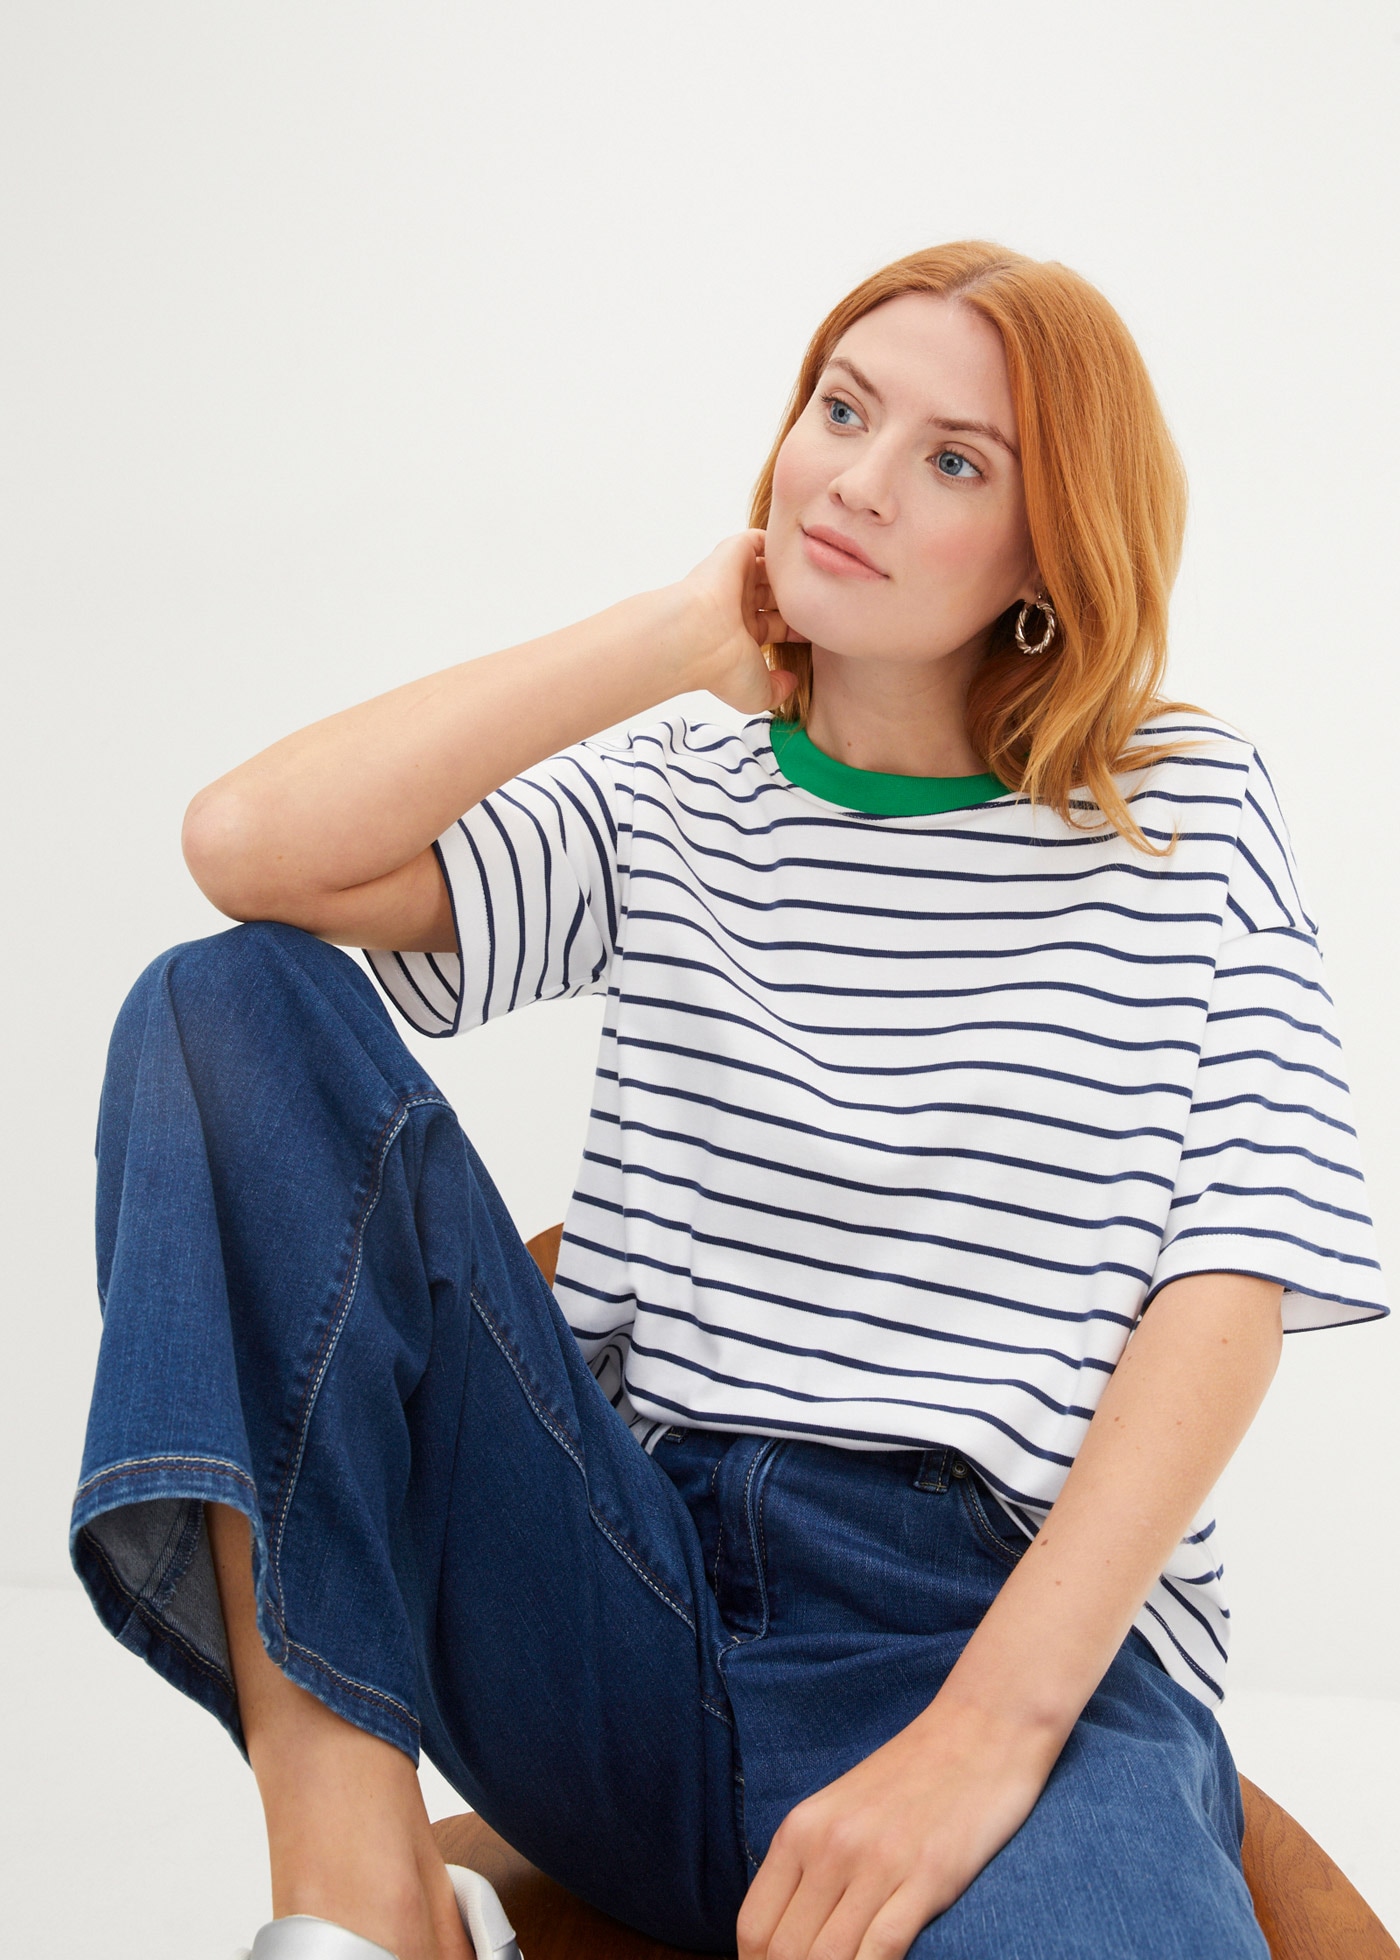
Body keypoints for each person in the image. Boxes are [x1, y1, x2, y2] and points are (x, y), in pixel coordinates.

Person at [72, 241, 1388, 1960]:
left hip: (997, 1631)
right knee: (223, 1008)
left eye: (955, 460)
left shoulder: (1180, 811)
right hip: (636, 1592)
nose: (860, 478)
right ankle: (363, 1897)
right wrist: (677, 635)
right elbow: (249, 849)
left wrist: (981, 1741)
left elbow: (1232, 1282)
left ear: (1047, 556)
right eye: (841, 409)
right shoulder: (676, 795)